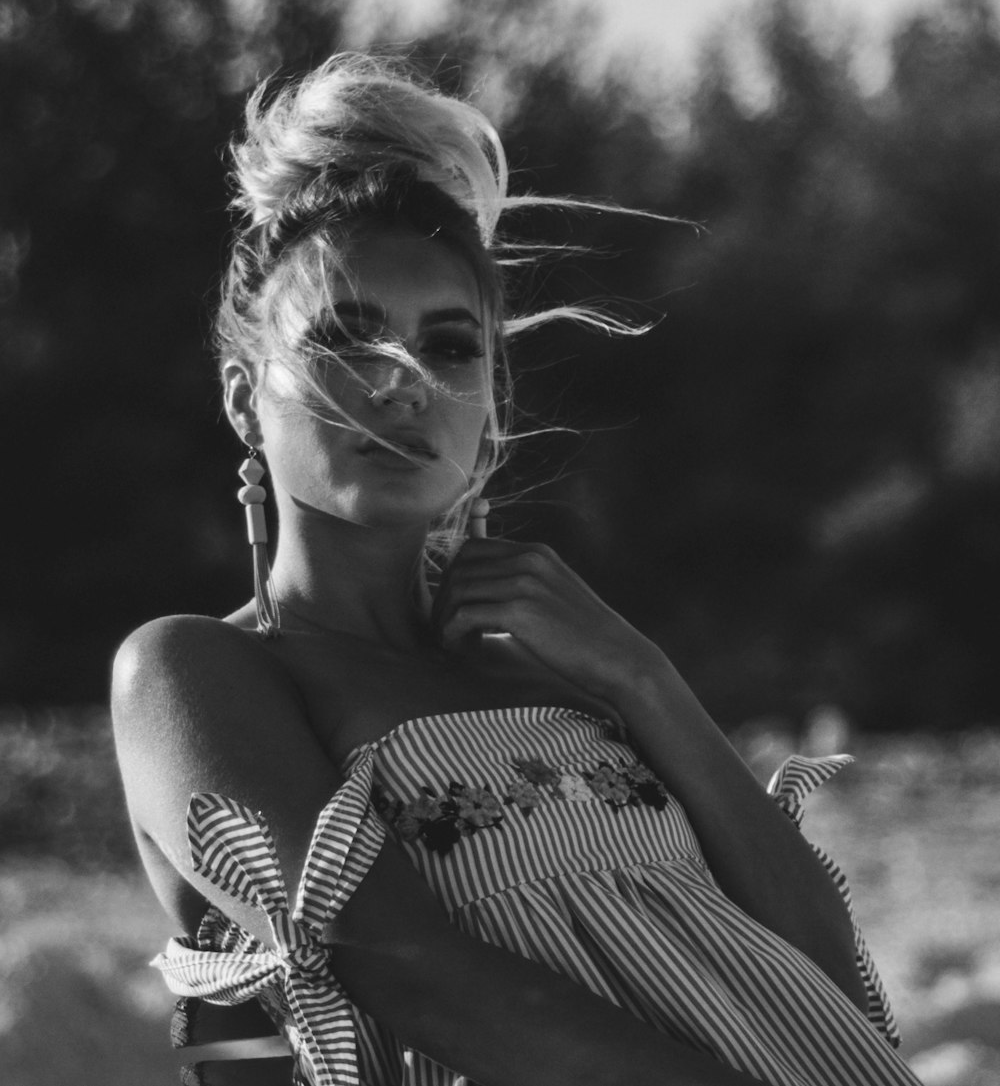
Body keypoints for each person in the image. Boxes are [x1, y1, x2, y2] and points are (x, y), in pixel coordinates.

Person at [112, 53, 921, 1086]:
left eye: (448, 347)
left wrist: (642, 677)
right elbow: (416, 974)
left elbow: (837, 991)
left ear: (491, 403)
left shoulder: (571, 670)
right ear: (240, 395)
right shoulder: (202, 675)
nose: (401, 382)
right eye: (346, 338)